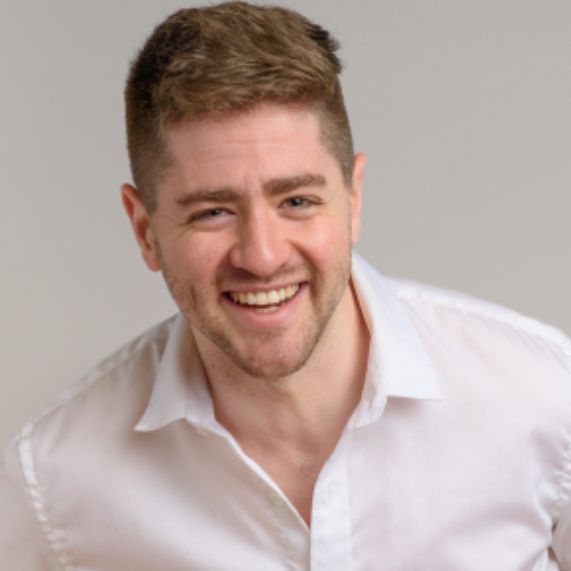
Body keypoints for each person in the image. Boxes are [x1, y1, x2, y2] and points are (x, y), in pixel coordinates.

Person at [1, 1, 570, 569]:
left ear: (353, 199)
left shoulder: (546, 397)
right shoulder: (53, 482)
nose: (263, 256)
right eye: (213, 212)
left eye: (297, 201)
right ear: (145, 231)